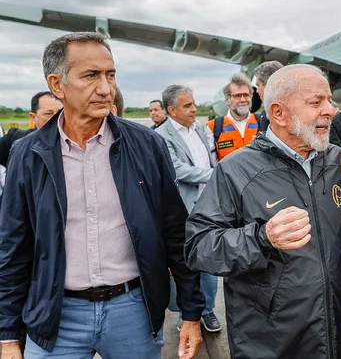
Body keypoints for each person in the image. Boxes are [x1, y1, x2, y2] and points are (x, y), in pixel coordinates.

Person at [0, 32, 204, 359]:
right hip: (55, 316)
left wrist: (191, 311)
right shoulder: (28, 154)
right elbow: (12, 247)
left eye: (110, 75)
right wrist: (7, 334)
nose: (106, 88)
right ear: (57, 84)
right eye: (90, 76)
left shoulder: (147, 146)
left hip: (134, 311)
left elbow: (176, 232)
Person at [186, 64, 341, 359]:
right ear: (278, 113)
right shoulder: (235, 170)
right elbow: (199, 246)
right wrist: (261, 238)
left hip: (336, 333)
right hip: (270, 342)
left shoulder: (337, 161)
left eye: (329, 100)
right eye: (316, 102)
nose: (330, 110)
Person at [155, 84, 221, 333]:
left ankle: (208, 309)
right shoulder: (162, 136)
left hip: (209, 209)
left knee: (209, 262)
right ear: (171, 110)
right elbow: (178, 171)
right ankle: (186, 311)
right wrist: (217, 174)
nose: (194, 109)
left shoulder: (201, 129)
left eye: (193, 103)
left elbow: (209, 157)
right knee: (183, 264)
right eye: (187, 106)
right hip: (181, 212)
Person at [0, 91, 63, 167]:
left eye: (61, 113)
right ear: (33, 117)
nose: (57, 118)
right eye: (48, 114)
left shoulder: (75, 143)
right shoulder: (16, 139)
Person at [206, 73, 260, 161]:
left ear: (251, 97)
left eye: (246, 95)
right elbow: (211, 163)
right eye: (237, 96)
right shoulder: (213, 128)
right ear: (227, 100)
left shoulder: (262, 123)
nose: (243, 100)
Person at [253, 60, 284, 132]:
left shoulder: (289, 114)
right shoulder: (264, 115)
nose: (257, 91)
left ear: (268, 85)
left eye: (258, 85)